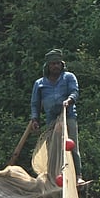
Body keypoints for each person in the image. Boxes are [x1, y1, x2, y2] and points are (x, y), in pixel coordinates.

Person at [30, 48, 82, 180]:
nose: (55, 66)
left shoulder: (69, 77)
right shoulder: (40, 83)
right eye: (53, 64)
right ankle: (54, 177)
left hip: (68, 115)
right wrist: (35, 119)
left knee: (71, 145)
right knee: (52, 149)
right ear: (48, 66)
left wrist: (69, 101)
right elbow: (35, 103)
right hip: (51, 119)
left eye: (58, 63)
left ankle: (77, 176)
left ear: (62, 64)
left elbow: (75, 92)